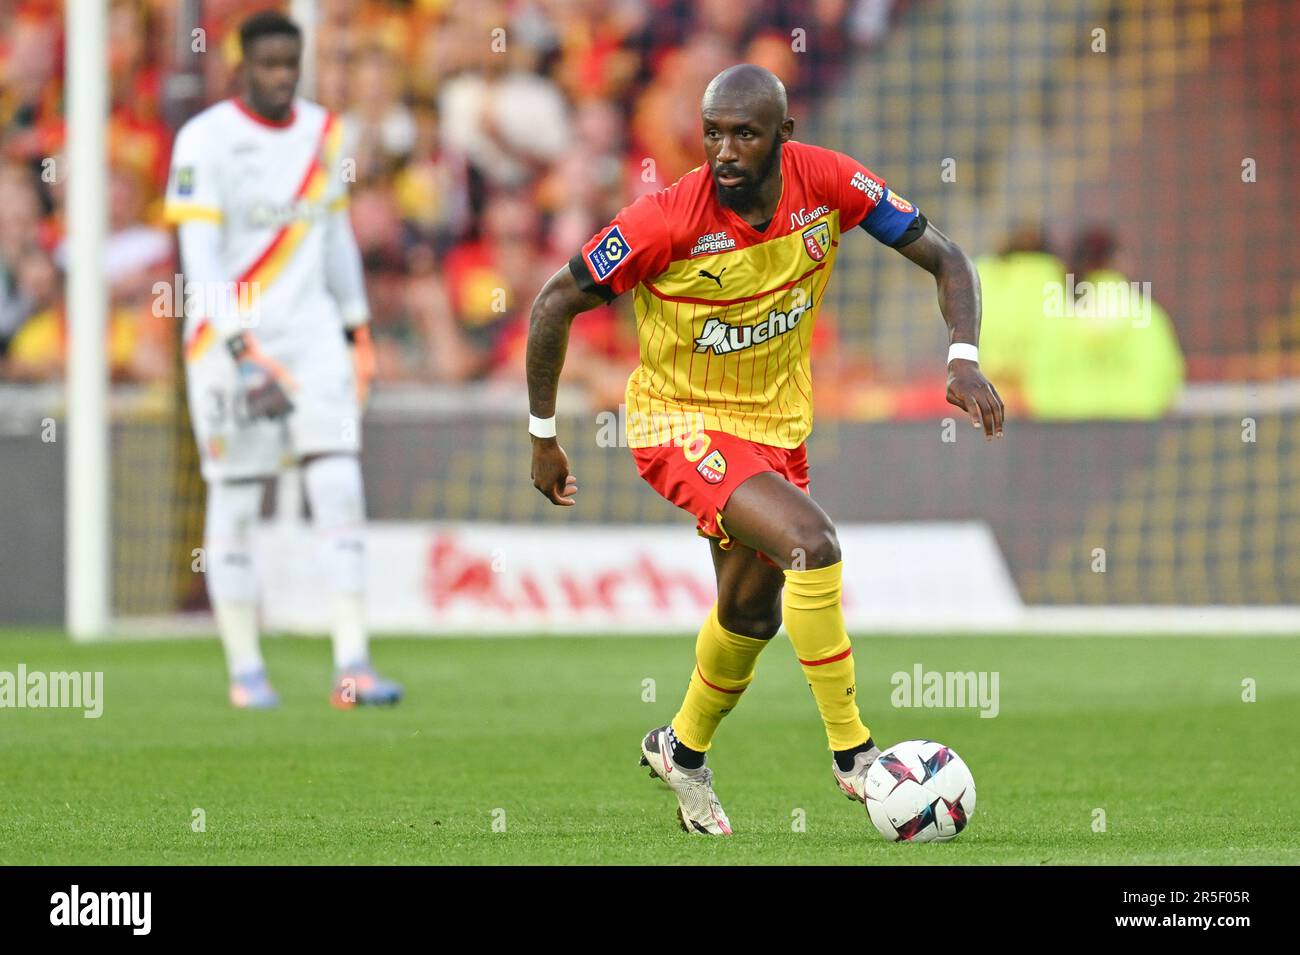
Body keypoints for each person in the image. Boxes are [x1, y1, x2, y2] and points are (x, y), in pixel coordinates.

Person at [525, 64, 1003, 834]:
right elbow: (555, 301)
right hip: (678, 424)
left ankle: (680, 749)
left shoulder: (830, 183)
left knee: (752, 613)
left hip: (777, 428)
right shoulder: (666, 219)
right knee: (813, 544)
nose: (723, 149)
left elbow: (947, 257)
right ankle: (856, 756)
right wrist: (543, 435)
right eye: (712, 132)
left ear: (783, 136)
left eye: (744, 133)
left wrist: (962, 358)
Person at [163, 11, 401, 710]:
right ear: (241, 67)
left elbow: (335, 241)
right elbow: (198, 262)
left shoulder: (325, 134)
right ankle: (245, 668)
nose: (279, 78)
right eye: (266, 66)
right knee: (236, 498)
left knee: (338, 485)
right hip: (227, 344)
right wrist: (241, 354)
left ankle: (352, 663)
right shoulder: (204, 141)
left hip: (313, 334)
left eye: (288, 66)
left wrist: (358, 329)